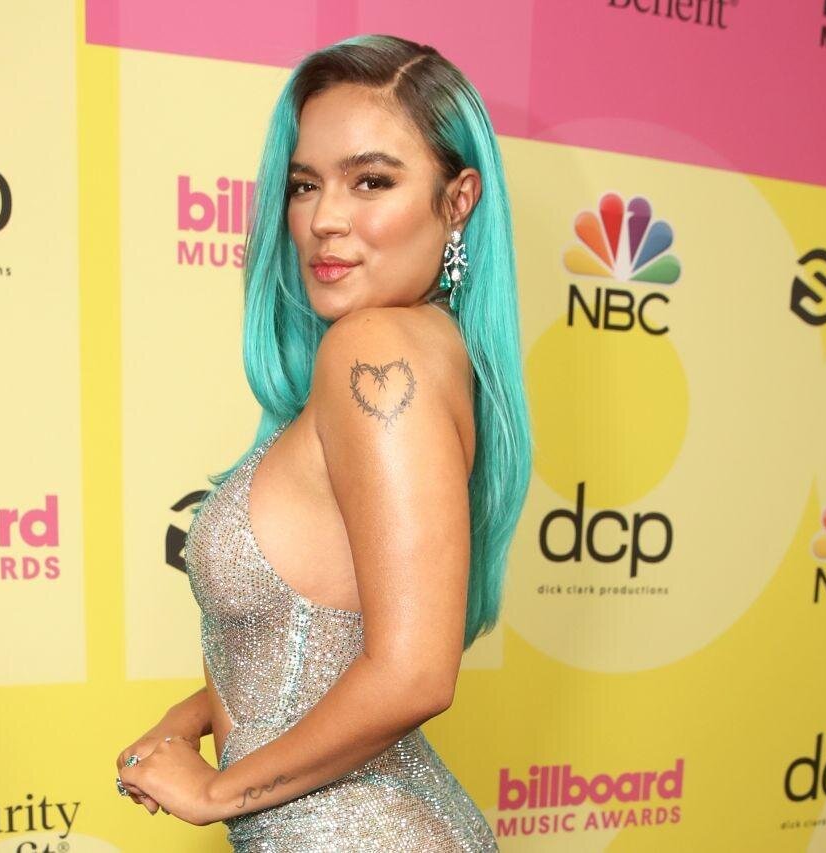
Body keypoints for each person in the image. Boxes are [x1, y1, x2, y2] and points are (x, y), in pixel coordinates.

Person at [115, 33, 532, 850]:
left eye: (371, 180)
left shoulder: (373, 349)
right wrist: (197, 713)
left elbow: (414, 673)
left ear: (458, 200)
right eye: (305, 184)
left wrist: (217, 790)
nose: (323, 220)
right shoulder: (427, 346)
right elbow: (319, 643)